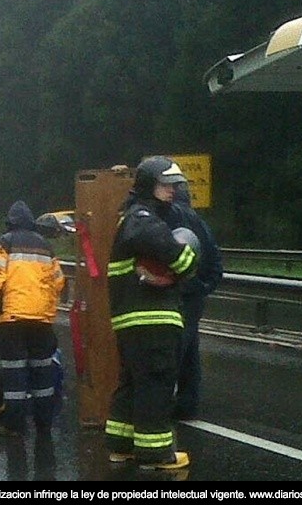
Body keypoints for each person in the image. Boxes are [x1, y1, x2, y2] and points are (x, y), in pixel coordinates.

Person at [104, 156, 198, 470]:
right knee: (156, 383)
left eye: (175, 185)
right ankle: (156, 453)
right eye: (165, 184)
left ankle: (122, 446)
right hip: (152, 318)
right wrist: (187, 259)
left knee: (133, 382)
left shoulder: (131, 217)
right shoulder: (142, 219)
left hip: (133, 320)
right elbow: (181, 261)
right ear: (147, 185)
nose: (172, 190)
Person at [0, 200, 65, 437]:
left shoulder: (3, 245)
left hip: (13, 320)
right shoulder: (46, 247)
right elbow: (58, 282)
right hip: (42, 323)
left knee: (15, 376)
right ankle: (44, 424)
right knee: (43, 375)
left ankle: (15, 427)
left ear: (9, 223)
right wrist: (48, 311)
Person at [163, 181, 224, 420]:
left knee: (172, 352)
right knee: (190, 354)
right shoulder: (201, 224)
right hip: (193, 298)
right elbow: (216, 262)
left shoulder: (169, 217)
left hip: (175, 296)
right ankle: (188, 406)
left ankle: (161, 405)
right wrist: (203, 287)